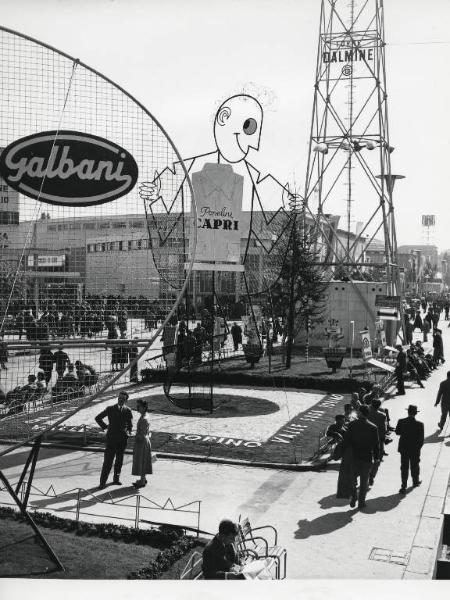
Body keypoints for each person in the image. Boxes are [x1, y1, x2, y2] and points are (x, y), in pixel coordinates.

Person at [95, 390, 133, 490]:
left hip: (122, 440)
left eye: (123, 399)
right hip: (111, 439)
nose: (120, 400)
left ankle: (116, 479)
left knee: (119, 461)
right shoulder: (110, 409)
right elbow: (98, 418)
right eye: (119, 398)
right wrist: (105, 427)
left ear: (126, 400)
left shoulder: (128, 410)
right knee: (108, 461)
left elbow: (130, 424)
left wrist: (128, 432)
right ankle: (102, 483)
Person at [345, 405, 380, 509]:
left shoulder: (352, 424)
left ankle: (353, 496)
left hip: (354, 457)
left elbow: (347, 440)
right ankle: (361, 502)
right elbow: (376, 444)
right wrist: (377, 457)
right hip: (367, 457)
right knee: (364, 482)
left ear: (360, 413)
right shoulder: (373, 427)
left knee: (352, 480)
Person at [395, 405, 424, 493]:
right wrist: (418, 448)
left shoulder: (401, 421)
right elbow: (421, 439)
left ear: (408, 412)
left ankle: (403, 486)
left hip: (404, 448)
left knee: (404, 467)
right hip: (415, 449)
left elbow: (397, 432)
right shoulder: (420, 424)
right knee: (415, 466)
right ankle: (415, 481)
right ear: (415, 413)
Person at [132, 399, 153, 488]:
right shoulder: (145, 415)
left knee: (142, 461)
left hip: (142, 442)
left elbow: (141, 434)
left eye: (139, 406)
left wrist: (133, 435)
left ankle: (142, 481)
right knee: (144, 460)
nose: (137, 408)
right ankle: (143, 479)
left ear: (144, 407)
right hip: (145, 440)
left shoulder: (144, 419)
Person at [367, 399, 387, 486]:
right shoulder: (382, 415)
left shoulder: (367, 414)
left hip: (367, 440)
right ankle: (372, 475)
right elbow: (384, 429)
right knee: (377, 459)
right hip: (378, 440)